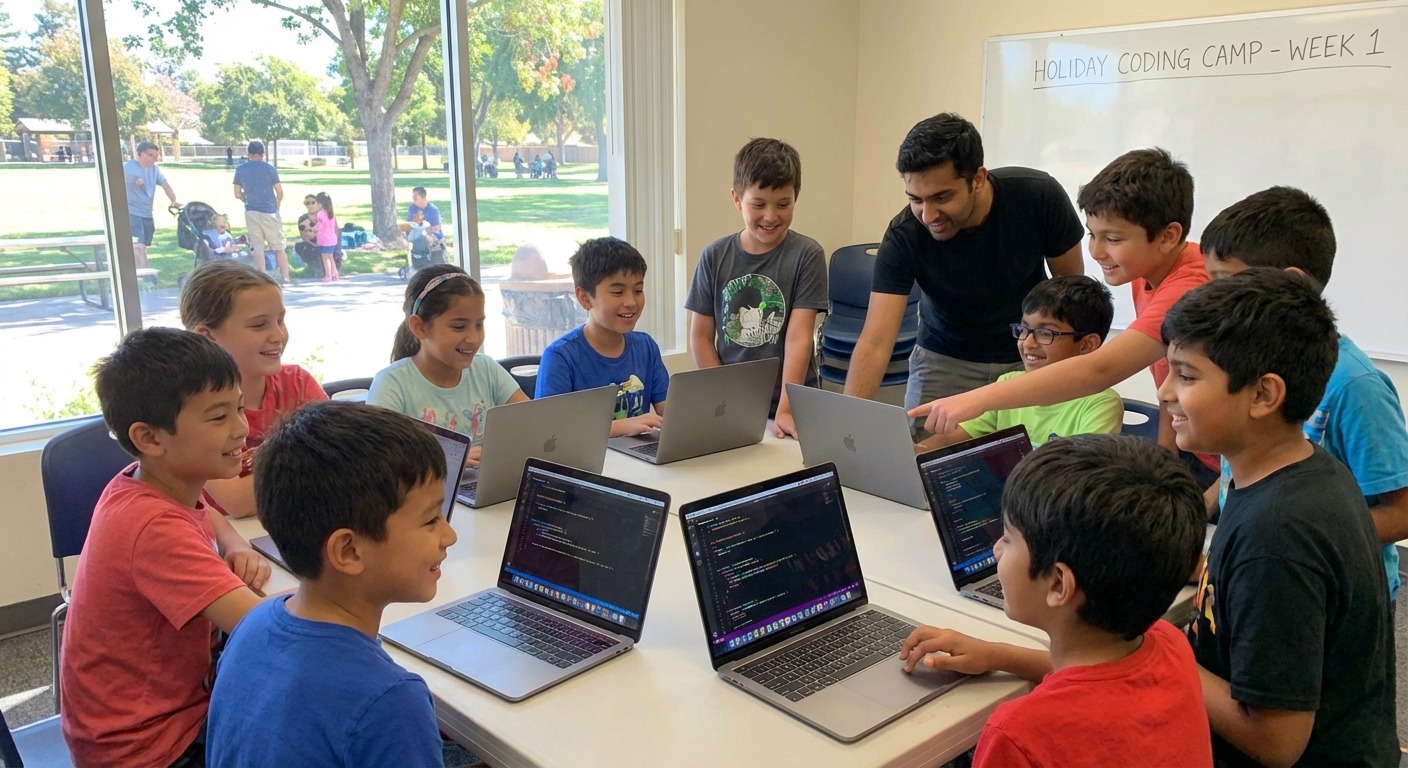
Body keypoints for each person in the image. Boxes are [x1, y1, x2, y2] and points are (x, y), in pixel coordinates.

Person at [1161, 270, 1397, 766]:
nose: (1164, 394)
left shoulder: (1277, 533)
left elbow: (1276, 742)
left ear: (1264, 396)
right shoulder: (1306, 470)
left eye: (1185, 375)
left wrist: (1156, 647)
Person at [899, 434, 1210, 767]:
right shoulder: (1171, 645)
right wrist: (995, 655)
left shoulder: (1021, 734)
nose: (996, 550)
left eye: (1006, 538)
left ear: (1059, 584)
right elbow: (1102, 683)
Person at [913, 148, 1218, 486]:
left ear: (1168, 236)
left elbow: (1099, 370)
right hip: (1196, 448)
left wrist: (973, 399)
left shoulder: (1188, 286)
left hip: (1223, 456)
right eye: (1092, 234)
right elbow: (1168, 382)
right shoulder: (1147, 270)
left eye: (1113, 239)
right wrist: (1167, 466)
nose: (1097, 252)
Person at [60, 327, 269, 767]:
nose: (241, 429)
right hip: (150, 748)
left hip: (154, 718)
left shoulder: (143, 485)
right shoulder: (152, 527)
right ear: (150, 438)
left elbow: (203, 511)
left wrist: (232, 543)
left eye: (238, 408)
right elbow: (263, 629)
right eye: (218, 418)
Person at [205, 401, 455, 767]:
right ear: (349, 551)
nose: (449, 536)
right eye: (431, 520)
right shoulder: (390, 699)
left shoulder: (254, 624)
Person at [1200, 186, 1408, 605]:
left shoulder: (1355, 384)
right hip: (1256, 564)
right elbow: (1235, 470)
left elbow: (1402, 511)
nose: (1212, 298)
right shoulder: (1248, 369)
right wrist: (1198, 509)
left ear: (1290, 283)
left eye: (1226, 283)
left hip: (1332, 588)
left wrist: (1288, 545)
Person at [842, 113, 1084, 422]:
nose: (929, 215)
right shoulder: (904, 234)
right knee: (920, 459)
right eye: (916, 199)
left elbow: (1074, 295)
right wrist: (846, 425)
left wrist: (1071, 374)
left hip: (1027, 356)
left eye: (942, 197)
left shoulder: (1038, 197)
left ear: (978, 179)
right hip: (943, 360)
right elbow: (875, 342)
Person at [686, 137, 827, 439]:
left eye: (783, 204)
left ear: (795, 198)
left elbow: (799, 338)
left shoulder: (807, 254)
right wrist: (726, 399)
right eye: (759, 204)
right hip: (734, 401)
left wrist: (786, 410)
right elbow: (700, 337)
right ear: (737, 199)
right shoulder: (714, 255)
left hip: (792, 400)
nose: (771, 216)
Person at [180, 259, 328, 519]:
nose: (278, 335)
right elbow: (237, 502)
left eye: (280, 320)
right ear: (207, 336)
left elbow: (346, 460)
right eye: (259, 325)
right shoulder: (187, 405)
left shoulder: (298, 383)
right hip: (220, 542)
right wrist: (315, 470)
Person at [915, 275, 1122, 451]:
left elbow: (1081, 478)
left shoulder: (1100, 403)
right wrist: (912, 455)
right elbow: (946, 442)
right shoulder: (1007, 384)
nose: (1028, 343)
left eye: (1044, 332)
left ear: (1086, 345)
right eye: (1024, 330)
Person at [368, 264, 528, 465]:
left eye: (479, 325)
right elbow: (378, 458)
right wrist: (450, 459)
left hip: (485, 489)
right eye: (459, 327)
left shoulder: (486, 369)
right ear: (419, 327)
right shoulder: (392, 383)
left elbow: (531, 421)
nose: (474, 338)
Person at [536, 236, 669, 437]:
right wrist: (621, 427)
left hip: (638, 461)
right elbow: (550, 430)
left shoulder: (646, 347)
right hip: (583, 465)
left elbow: (669, 411)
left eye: (638, 290)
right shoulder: (560, 356)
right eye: (617, 292)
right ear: (584, 297)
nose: (631, 302)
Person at [232, 140, 292, 283]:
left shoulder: (240, 169)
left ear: (248, 153)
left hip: (251, 210)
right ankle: (285, 276)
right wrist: (277, 204)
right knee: (278, 246)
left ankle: (262, 275)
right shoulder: (270, 169)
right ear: (262, 154)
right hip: (269, 210)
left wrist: (245, 199)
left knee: (257, 245)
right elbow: (279, 191)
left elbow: (237, 193)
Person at [123, 140, 179, 268]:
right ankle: (144, 273)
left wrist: (173, 200)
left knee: (144, 244)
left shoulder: (155, 170)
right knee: (138, 244)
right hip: (132, 212)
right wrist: (132, 183)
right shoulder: (127, 169)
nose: (153, 159)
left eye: (155, 157)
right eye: (150, 155)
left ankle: (142, 270)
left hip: (147, 212)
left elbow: (165, 185)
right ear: (139, 154)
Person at [314, 191, 341, 282]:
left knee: (325, 258)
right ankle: (335, 273)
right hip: (332, 239)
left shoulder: (320, 214)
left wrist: (315, 228)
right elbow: (335, 226)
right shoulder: (331, 213)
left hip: (324, 240)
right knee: (330, 256)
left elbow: (320, 226)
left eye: (316, 203)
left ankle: (328, 275)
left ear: (320, 204)